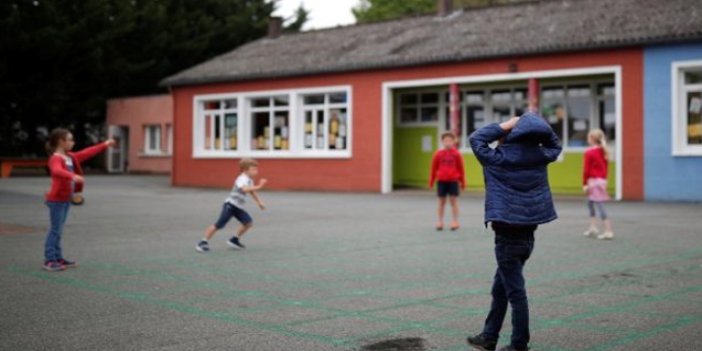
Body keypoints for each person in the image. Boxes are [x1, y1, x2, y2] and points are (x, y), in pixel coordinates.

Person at [466, 112, 562, 351]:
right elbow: (555, 143)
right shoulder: (540, 156)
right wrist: (533, 125)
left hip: (507, 235)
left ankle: (519, 344)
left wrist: (506, 124)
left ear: (507, 135)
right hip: (528, 234)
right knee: (500, 288)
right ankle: (488, 337)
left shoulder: (496, 158)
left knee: (515, 293)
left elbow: (476, 138)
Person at [43, 128, 115, 272]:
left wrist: (105, 144)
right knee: (55, 230)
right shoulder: (56, 158)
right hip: (56, 200)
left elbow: (87, 152)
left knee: (59, 230)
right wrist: (72, 176)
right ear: (60, 142)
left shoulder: (70, 157)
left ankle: (58, 257)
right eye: (70, 139)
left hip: (65, 199)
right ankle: (49, 260)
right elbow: (56, 171)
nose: (73, 142)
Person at [197, 158, 266, 252]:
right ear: (245, 170)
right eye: (253, 169)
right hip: (230, 205)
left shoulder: (250, 180)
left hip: (238, 207)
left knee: (248, 223)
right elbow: (245, 189)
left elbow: (252, 191)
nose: (256, 171)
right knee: (219, 224)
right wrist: (260, 186)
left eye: (256, 169)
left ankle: (234, 239)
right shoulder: (241, 179)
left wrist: (259, 202)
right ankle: (202, 242)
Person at [429, 132, 466, 231]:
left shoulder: (457, 154)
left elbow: (461, 169)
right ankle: (440, 222)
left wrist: (463, 182)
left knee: (453, 202)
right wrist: (431, 181)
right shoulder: (438, 154)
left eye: (450, 141)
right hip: (441, 181)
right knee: (441, 202)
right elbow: (433, 168)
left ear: (454, 142)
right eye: (445, 141)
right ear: (442, 142)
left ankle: (455, 221)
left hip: (453, 181)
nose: (447, 143)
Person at [582, 129, 614, 240]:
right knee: (590, 203)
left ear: (592, 139)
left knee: (599, 205)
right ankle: (593, 227)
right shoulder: (604, 151)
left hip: (593, 182)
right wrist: (604, 181)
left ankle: (608, 230)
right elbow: (606, 169)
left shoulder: (589, 152)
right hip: (601, 181)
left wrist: (585, 184)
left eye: (588, 137)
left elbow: (586, 170)